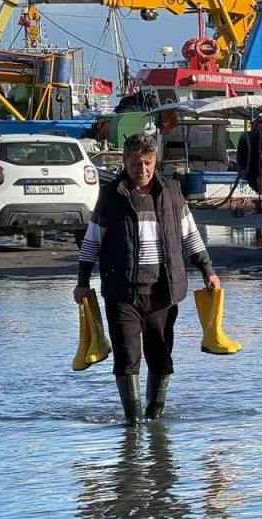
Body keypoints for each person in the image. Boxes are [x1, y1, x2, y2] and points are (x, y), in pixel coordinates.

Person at [74, 134, 222, 424]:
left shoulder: (172, 193)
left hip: (163, 290)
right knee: (127, 357)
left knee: (160, 356)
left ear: (155, 162)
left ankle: (154, 416)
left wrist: (208, 272)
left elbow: (190, 235)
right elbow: (92, 241)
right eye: (135, 163)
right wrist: (82, 281)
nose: (141, 169)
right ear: (124, 163)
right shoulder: (110, 196)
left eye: (147, 163)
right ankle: (133, 423)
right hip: (122, 292)